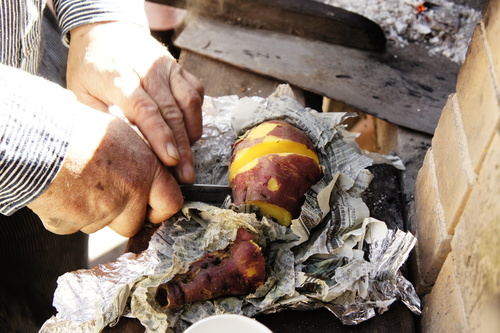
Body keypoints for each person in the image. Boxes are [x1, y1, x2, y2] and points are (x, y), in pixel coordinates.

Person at [0, 0, 203, 331]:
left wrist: (99, 16)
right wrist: (25, 136)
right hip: (32, 130)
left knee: (54, 294)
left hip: (41, 66)